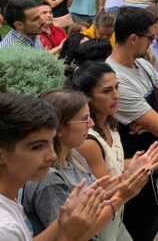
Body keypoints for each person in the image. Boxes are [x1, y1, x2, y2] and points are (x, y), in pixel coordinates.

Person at [68, 62, 158, 241]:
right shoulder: (88, 141)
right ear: (87, 98)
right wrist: (152, 161)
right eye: (106, 91)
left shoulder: (111, 123)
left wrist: (151, 158)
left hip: (117, 220)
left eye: (117, 87)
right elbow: (107, 190)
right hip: (102, 226)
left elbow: (115, 165)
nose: (116, 95)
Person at [107, 7, 158, 241]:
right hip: (137, 168)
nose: (153, 43)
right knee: (138, 228)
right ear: (133, 39)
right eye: (150, 38)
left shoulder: (142, 64)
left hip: (157, 163)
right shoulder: (117, 78)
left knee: (153, 223)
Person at [22, 90, 149, 240]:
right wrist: (122, 196)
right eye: (84, 119)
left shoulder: (73, 154)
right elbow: (73, 234)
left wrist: (128, 178)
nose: (92, 123)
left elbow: (95, 197)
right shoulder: (47, 179)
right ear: (59, 128)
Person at [0, 93, 108, 241]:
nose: (52, 156)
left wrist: (64, 221)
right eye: (37, 147)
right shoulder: (4, 229)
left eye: (51, 142)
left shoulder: (8, 200)